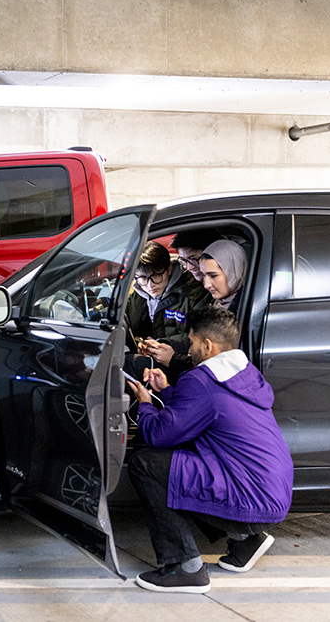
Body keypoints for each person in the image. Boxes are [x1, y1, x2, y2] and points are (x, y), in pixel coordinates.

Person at [125, 308, 293, 593]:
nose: (188, 351)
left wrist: (144, 403)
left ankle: (184, 568)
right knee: (187, 462)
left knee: (146, 464)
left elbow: (159, 435)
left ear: (207, 345)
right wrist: (165, 391)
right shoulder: (243, 373)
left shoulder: (201, 380)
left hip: (250, 496)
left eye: (191, 343)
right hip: (272, 494)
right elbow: (200, 414)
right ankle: (246, 539)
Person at [127, 241, 211, 382]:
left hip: (182, 365)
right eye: (143, 278)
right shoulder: (138, 293)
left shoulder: (194, 292)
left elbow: (200, 335)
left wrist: (163, 343)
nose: (150, 285)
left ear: (169, 268)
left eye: (157, 276)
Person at [199, 239, 247, 313]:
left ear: (235, 272)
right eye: (203, 275)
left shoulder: (249, 310)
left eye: (213, 276)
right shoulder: (213, 303)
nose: (206, 285)